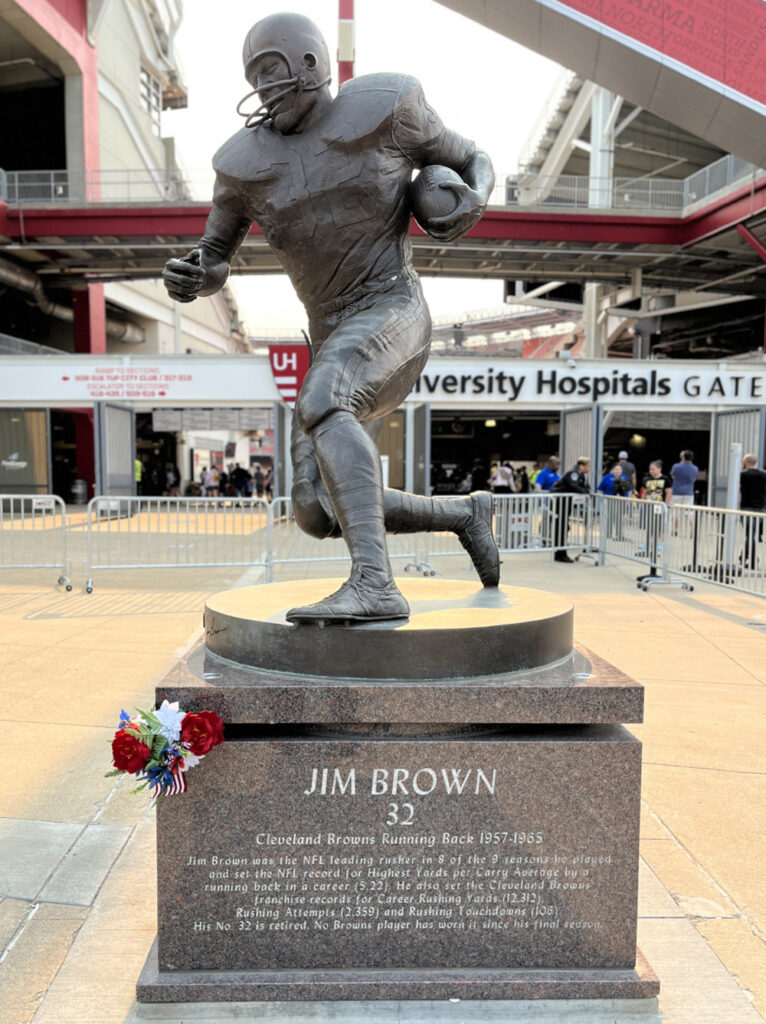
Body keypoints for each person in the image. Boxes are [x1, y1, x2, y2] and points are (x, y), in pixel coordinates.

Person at [162, 13, 498, 623]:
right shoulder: (241, 163)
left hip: (392, 305)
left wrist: (472, 197)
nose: (262, 88)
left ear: (312, 65)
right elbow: (215, 256)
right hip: (330, 332)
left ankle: (375, 583)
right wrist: (194, 275)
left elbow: (472, 157)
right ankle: (464, 515)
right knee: (315, 509)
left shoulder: (386, 107)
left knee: (325, 397)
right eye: (253, 76)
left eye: (271, 70)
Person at [551, 457, 591, 562]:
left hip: (566, 503)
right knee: (561, 528)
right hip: (559, 503)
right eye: (588, 466)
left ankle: (560, 553)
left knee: (564, 528)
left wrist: (586, 490)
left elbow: (586, 487)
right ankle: (560, 554)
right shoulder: (573, 474)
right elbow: (575, 486)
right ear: (581, 466)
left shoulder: (581, 475)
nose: (589, 468)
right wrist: (585, 491)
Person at [740, 453, 766, 569]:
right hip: (760, 508)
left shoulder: (742, 475)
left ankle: (751, 558)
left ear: (745, 462)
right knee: (752, 534)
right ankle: (744, 555)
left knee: (750, 535)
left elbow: (738, 489)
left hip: (747, 506)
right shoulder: (763, 474)